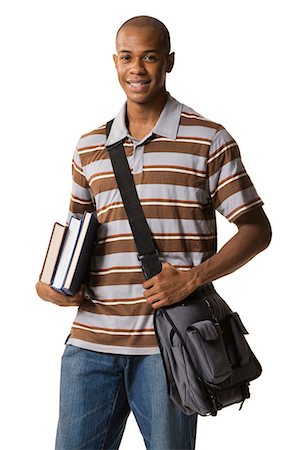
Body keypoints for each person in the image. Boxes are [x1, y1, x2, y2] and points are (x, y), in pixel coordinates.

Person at [36, 15, 272, 450]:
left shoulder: (208, 139)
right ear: (114, 62)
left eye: (149, 57)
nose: (137, 69)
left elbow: (257, 230)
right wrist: (51, 284)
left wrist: (194, 278)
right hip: (91, 342)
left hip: (168, 346)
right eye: (127, 57)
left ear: (169, 62)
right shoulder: (90, 147)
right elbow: (77, 233)